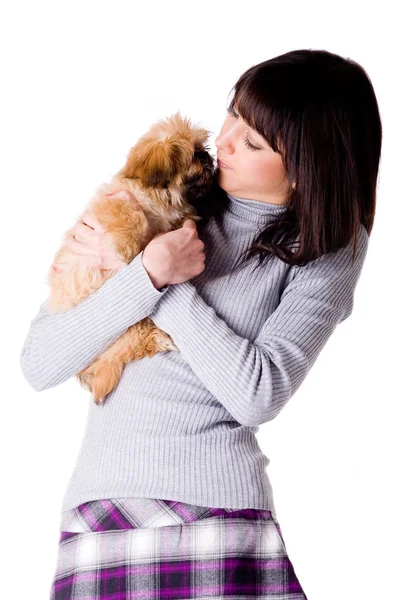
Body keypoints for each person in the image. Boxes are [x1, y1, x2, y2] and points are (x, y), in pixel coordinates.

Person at [20, 48, 381, 600]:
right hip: (101, 515)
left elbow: (258, 393)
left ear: (309, 166)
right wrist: (146, 272)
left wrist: (162, 285)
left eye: (254, 142)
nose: (225, 140)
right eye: (233, 112)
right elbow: (40, 362)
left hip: (218, 517)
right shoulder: (159, 197)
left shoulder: (325, 250)